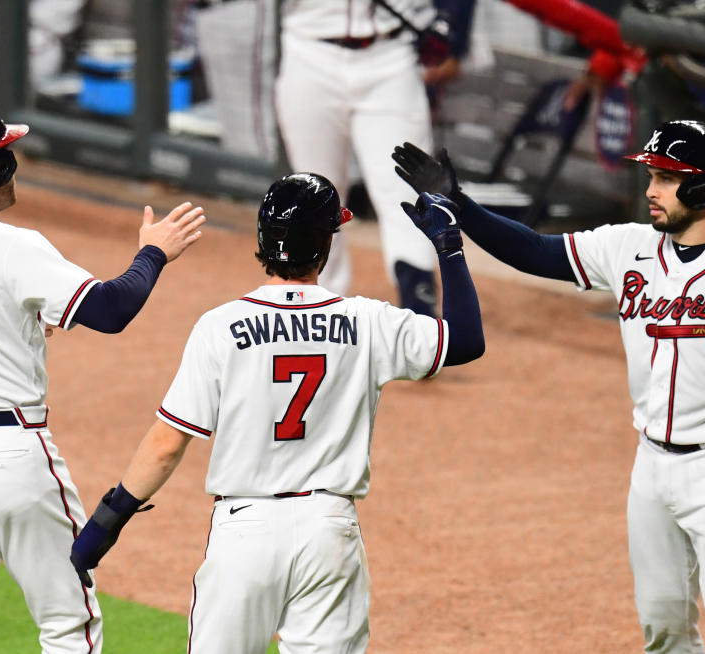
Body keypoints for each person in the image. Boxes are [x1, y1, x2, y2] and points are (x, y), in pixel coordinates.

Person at [392, 121, 705, 653]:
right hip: (652, 467)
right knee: (662, 632)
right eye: (652, 176)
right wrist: (462, 208)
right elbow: (536, 252)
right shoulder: (627, 246)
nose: (651, 190)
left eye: (666, 178)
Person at [69, 172, 485, 653]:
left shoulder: (221, 326)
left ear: (264, 239)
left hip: (243, 532)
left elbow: (166, 445)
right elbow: (466, 340)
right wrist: (449, 247)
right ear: (326, 244)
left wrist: (102, 528)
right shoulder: (369, 321)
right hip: (329, 531)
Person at [0, 99, 205, 654]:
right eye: (6, 150)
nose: (14, 159)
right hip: (8, 459)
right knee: (66, 627)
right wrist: (153, 255)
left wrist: (3, 321)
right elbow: (109, 310)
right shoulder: (11, 244)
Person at [274, 0, 474, 316]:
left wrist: (453, 26)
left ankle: (419, 322)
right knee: (315, 194)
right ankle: (319, 318)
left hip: (391, 55)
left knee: (406, 191)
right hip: (308, 50)